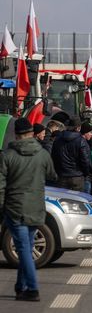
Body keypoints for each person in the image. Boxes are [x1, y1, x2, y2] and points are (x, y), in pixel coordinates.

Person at [0, 118, 57, 302]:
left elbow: (0, 186)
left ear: (16, 134)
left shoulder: (7, 155)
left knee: (24, 248)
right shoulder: (42, 154)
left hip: (15, 207)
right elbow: (52, 175)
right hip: (36, 207)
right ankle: (20, 286)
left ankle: (32, 289)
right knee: (28, 246)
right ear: (32, 133)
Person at [51, 116, 91, 191]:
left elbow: (54, 157)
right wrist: (85, 173)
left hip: (62, 176)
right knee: (77, 200)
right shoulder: (81, 141)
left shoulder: (58, 139)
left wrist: (58, 171)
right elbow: (85, 160)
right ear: (78, 128)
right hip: (77, 177)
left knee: (62, 201)